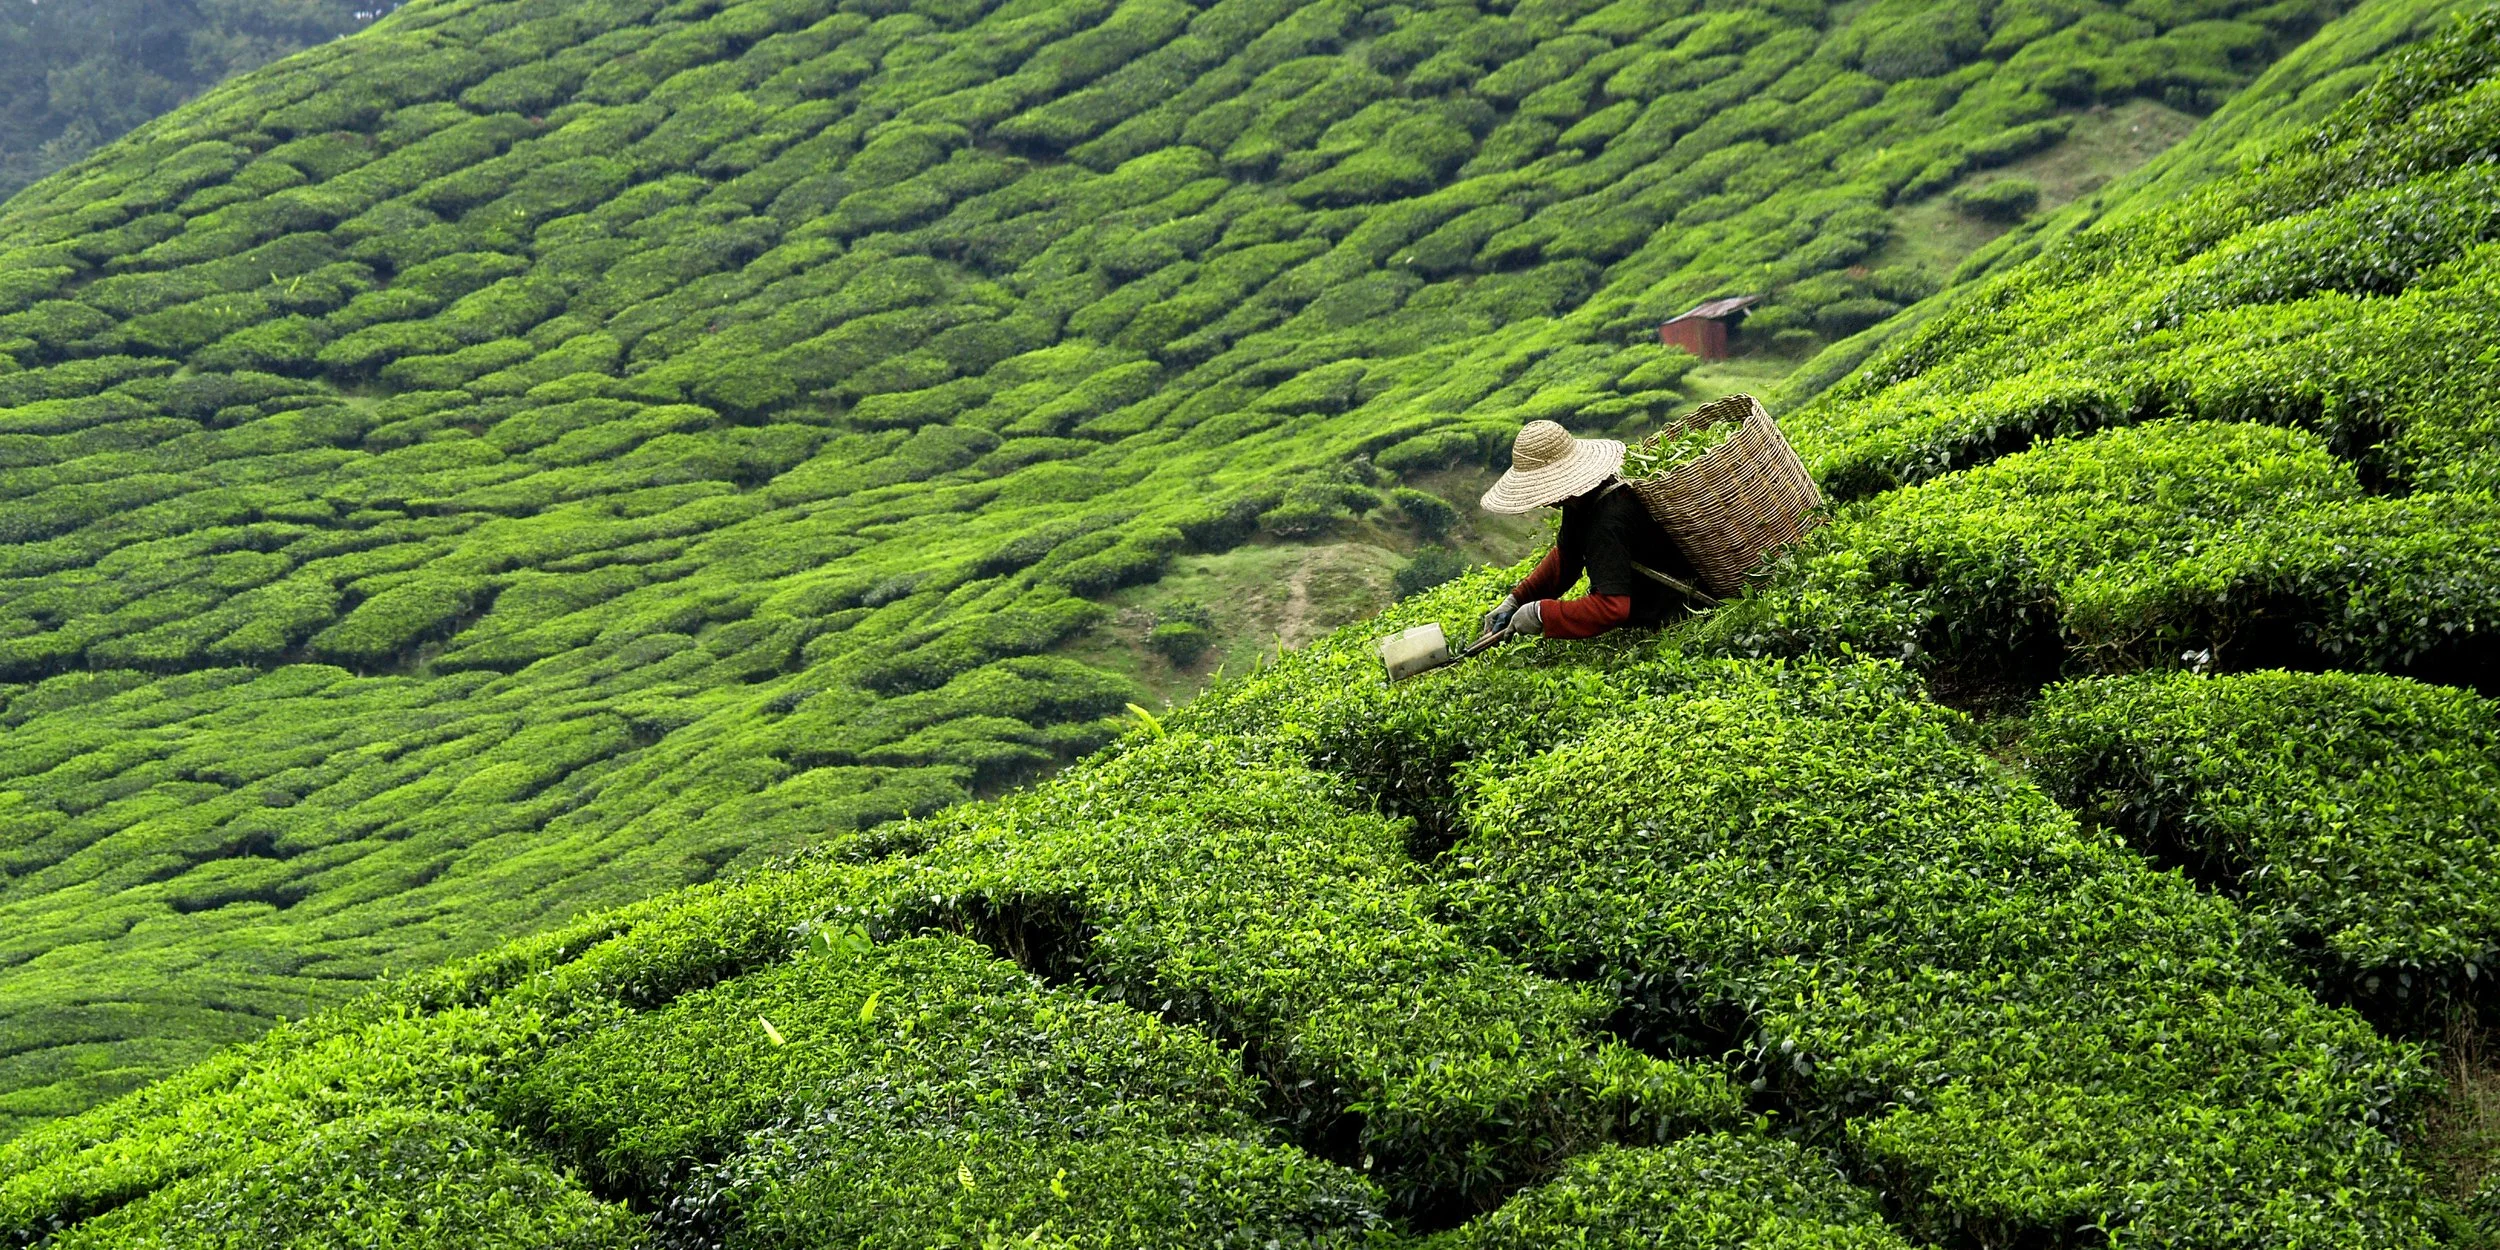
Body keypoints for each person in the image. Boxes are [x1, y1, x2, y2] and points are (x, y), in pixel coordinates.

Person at [1476, 419, 1701, 640]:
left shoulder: (1609, 517)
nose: (1543, 502)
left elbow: (1612, 608)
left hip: (1679, 608)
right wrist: (1517, 600)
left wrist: (1541, 614)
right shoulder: (1583, 498)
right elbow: (1567, 557)